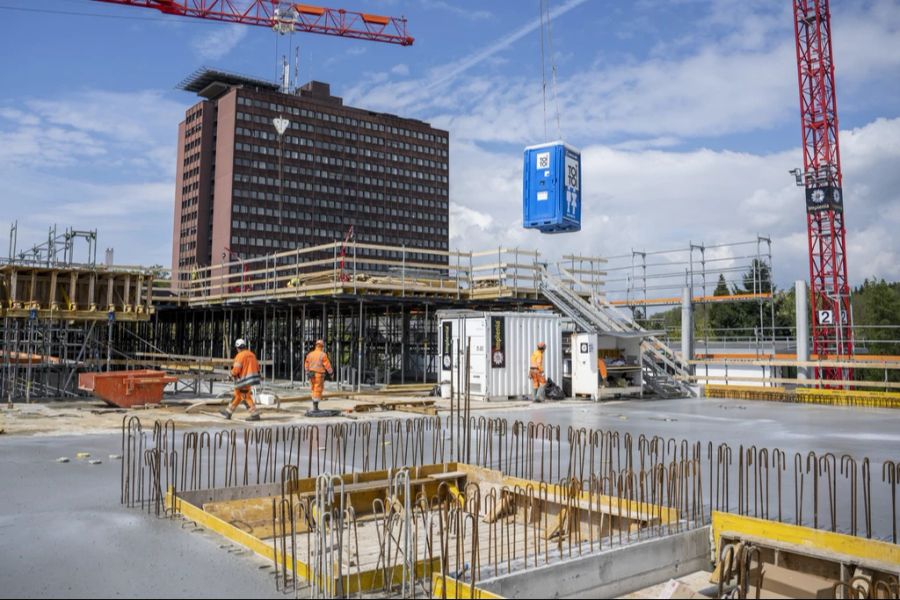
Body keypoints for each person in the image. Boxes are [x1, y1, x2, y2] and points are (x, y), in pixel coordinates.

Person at [221, 338, 261, 421]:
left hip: (244, 380)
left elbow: (236, 370)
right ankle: (228, 412)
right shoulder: (252, 354)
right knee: (237, 395)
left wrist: (231, 374)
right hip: (251, 379)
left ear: (237, 348)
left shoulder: (239, 356)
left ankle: (254, 414)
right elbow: (258, 367)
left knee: (245, 396)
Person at [305, 339, 334, 412]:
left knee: (313, 389)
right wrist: (331, 373)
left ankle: (314, 406)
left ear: (316, 345)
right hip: (319, 375)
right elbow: (327, 365)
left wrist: (307, 372)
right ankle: (315, 408)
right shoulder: (322, 355)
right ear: (322, 346)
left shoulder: (310, 354)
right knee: (317, 390)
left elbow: (306, 364)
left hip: (311, 374)